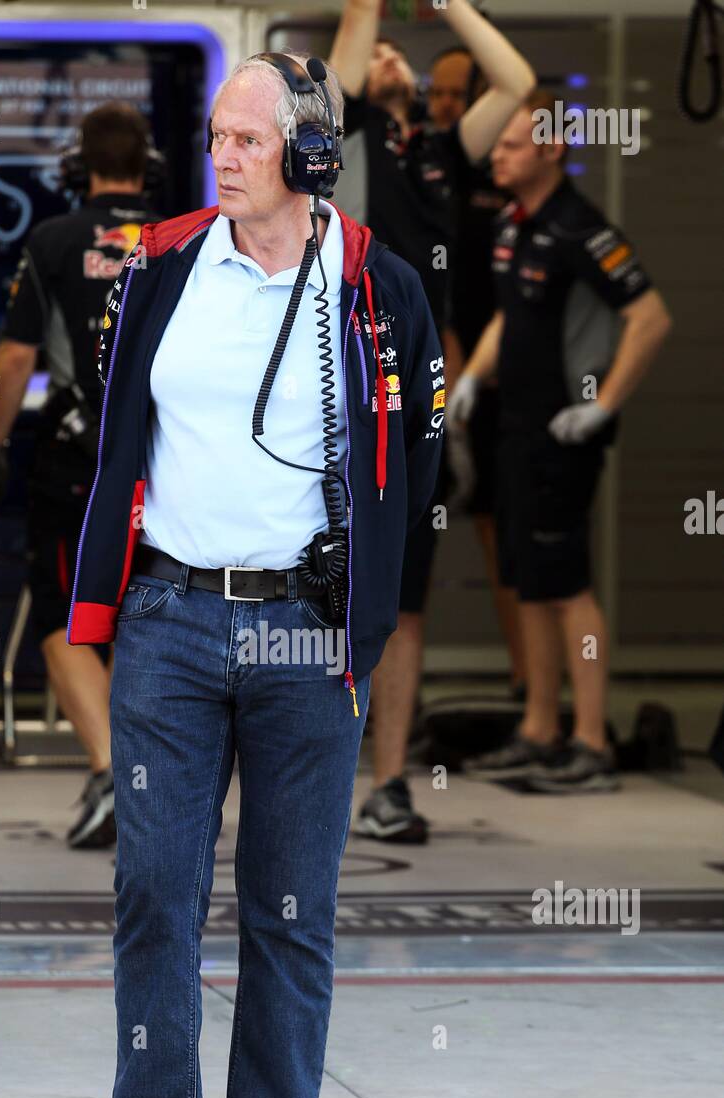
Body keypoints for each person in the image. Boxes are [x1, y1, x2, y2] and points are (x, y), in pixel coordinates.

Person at [66, 52, 443, 1098]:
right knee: (153, 897)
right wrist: (103, 602)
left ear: (311, 154)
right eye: (215, 138)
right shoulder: (160, 266)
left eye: (244, 139)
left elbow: (412, 461)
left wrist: (361, 617)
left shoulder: (375, 288)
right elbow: (115, 426)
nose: (219, 156)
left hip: (304, 635)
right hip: (171, 620)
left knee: (289, 909)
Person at [329, 0, 535, 841]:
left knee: (402, 604)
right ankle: (297, 782)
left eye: (395, 55)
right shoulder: (335, 142)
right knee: (308, 599)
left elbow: (517, 81)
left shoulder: (447, 152)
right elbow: (337, 81)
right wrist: (365, 11)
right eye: (375, 53)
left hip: (414, 398)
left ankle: (389, 786)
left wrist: (453, 7)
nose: (387, 59)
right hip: (333, 386)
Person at [451, 90, 673, 791]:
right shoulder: (515, 226)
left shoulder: (583, 229)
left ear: (550, 149)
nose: (498, 156)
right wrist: (472, 380)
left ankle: (591, 742)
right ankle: (540, 730)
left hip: (562, 432)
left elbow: (651, 318)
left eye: (512, 145)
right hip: (514, 426)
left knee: (567, 586)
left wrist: (601, 407)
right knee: (529, 584)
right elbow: (508, 320)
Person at [0, 103, 164, 847]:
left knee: (63, 613)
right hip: (163, 463)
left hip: (76, 462)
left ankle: (115, 771)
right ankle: (156, 778)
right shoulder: (182, 240)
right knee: (151, 612)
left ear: (78, 166)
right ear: (147, 165)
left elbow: (14, 361)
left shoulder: (51, 241)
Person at [428, 45, 525, 699]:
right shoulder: (426, 171)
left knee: (506, 535)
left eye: (451, 96)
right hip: (431, 378)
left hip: (504, 386)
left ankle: (530, 688)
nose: (438, 108)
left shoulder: (509, 181)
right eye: (430, 95)